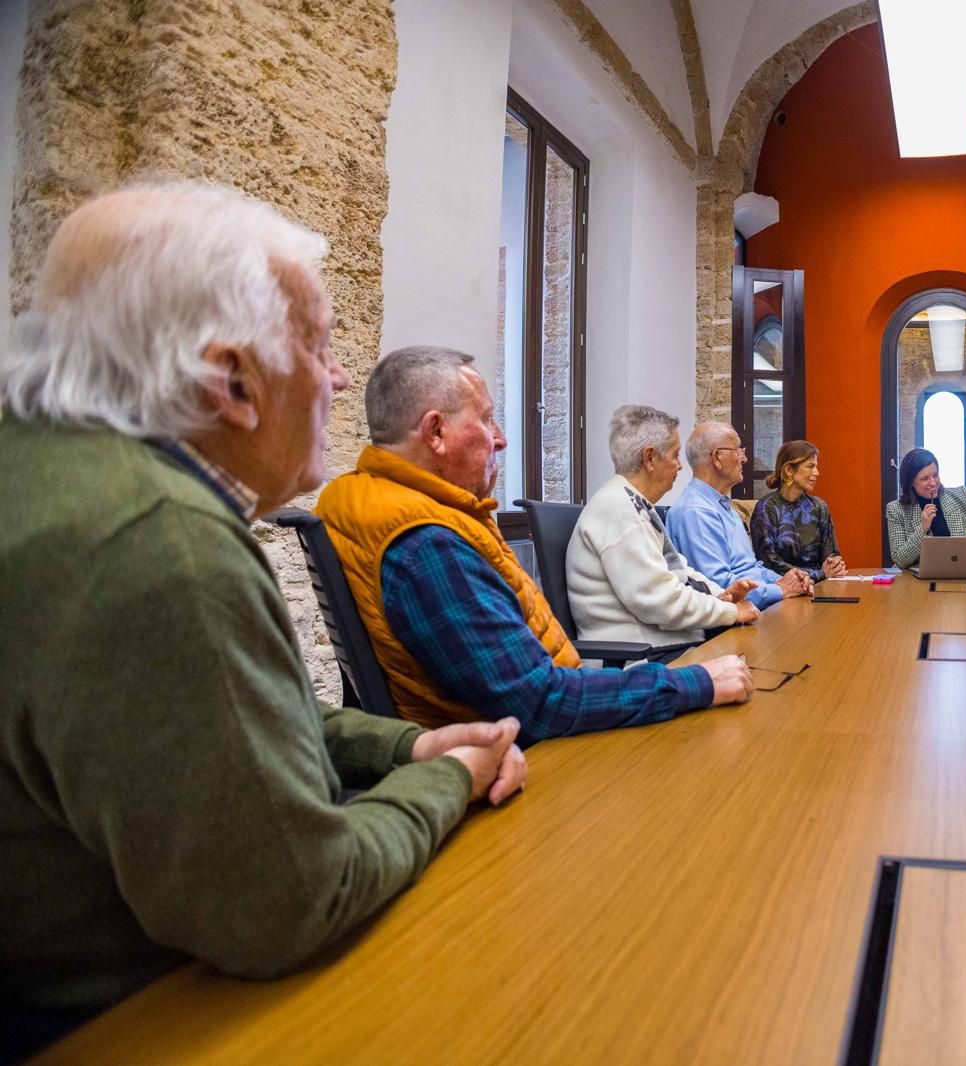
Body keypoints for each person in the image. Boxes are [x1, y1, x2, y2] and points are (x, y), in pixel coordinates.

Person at [0, 182, 526, 1059]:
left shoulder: (55, 477)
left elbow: (222, 715)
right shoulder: (158, 540)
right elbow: (288, 902)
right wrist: (454, 779)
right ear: (230, 381)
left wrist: (403, 748)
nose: (339, 376)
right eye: (318, 344)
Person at [314, 349, 754, 747]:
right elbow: (539, 704)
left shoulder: (375, 500)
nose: (501, 438)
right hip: (523, 760)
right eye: (486, 420)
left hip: (543, 718)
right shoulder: (425, 542)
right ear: (435, 432)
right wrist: (696, 683)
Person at [568, 405, 760, 649]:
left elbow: (679, 568)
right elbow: (661, 601)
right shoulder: (618, 510)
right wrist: (729, 611)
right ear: (650, 458)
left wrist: (719, 595)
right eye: (675, 455)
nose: (680, 466)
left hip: (669, 645)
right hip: (642, 660)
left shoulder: (633, 503)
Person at [667, 423, 813, 607]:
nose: (744, 458)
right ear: (717, 457)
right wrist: (781, 589)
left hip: (760, 605)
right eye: (738, 450)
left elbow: (752, 567)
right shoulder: (695, 512)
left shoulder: (723, 506)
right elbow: (721, 588)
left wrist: (788, 579)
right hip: (735, 621)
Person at [885, 447, 966, 570]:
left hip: (962, 576)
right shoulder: (896, 509)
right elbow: (900, 561)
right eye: (925, 479)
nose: (933, 483)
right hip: (916, 583)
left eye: (935, 475)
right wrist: (922, 529)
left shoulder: (961, 496)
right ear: (910, 482)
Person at [750, 439, 847, 581]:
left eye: (816, 466)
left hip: (821, 588)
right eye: (810, 466)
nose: (817, 473)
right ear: (789, 470)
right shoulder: (766, 508)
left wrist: (835, 566)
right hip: (783, 590)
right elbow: (768, 563)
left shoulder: (819, 507)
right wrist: (819, 574)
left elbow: (831, 555)